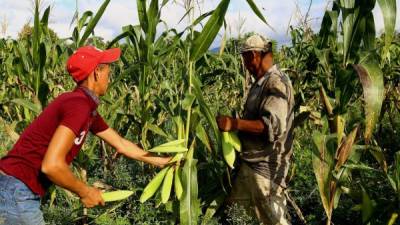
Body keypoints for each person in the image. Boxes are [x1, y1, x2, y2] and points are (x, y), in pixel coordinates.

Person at [0, 46, 172, 225]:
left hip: (15, 189)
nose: (110, 77)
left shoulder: (85, 108)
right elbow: (51, 166)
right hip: (16, 192)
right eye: (107, 70)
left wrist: (164, 161)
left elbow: (121, 144)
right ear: (97, 73)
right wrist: (86, 191)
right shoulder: (78, 106)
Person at [217, 34, 294, 225]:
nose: (244, 64)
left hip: (265, 174)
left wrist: (234, 124)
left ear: (253, 55)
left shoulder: (276, 82)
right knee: (234, 215)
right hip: (249, 167)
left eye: (244, 58)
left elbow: (273, 126)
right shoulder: (260, 82)